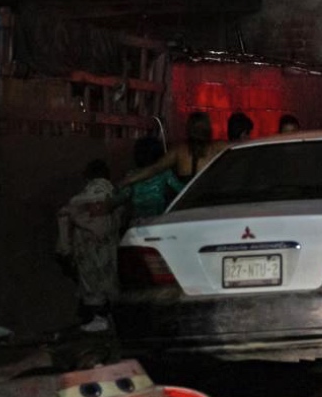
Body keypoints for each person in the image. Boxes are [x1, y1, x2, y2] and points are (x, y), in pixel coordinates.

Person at [56, 159, 121, 333]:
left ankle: (99, 318)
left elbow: (64, 219)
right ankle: (113, 317)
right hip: (110, 244)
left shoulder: (79, 199)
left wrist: (64, 249)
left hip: (87, 246)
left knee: (91, 282)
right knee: (111, 279)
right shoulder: (115, 194)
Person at [120, 111, 228, 187]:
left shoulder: (179, 151)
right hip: (209, 204)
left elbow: (155, 168)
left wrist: (127, 181)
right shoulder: (217, 148)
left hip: (186, 205)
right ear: (208, 129)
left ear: (189, 129)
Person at [116, 137, 183, 225]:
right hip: (158, 220)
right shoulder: (165, 173)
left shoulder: (131, 175)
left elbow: (122, 197)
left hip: (137, 222)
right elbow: (182, 190)